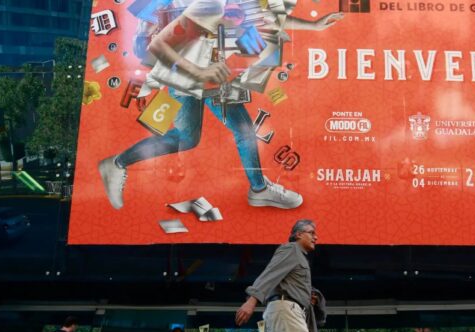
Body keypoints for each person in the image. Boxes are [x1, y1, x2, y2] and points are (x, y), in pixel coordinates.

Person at [98, 0, 343, 211]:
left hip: (211, 79)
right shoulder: (209, 5)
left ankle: (258, 189)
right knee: (213, 134)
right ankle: (116, 163)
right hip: (189, 77)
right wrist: (199, 70)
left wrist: (313, 25)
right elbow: (159, 45)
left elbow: (266, 22)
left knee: (216, 134)